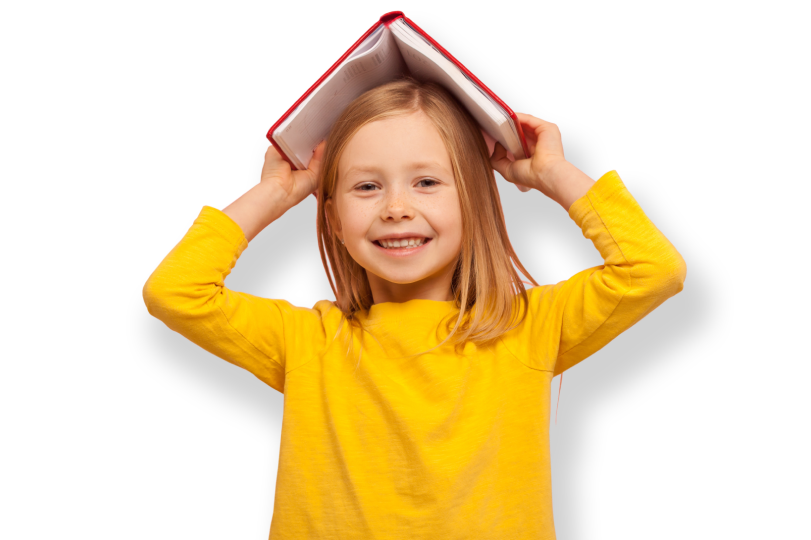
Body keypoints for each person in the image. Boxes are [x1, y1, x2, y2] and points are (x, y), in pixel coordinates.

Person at [143, 77, 687, 539]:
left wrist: (552, 175)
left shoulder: (529, 328)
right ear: (333, 219)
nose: (397, 208)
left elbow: (653, 269)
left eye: (426, 182)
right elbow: (174, 290)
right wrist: (277, 193)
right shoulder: (310, 341)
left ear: (473, 201)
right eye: (366, 186)